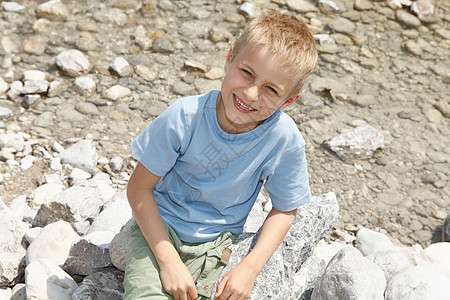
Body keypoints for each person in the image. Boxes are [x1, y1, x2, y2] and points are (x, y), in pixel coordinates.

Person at [124, 12, 318, 300]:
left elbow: (285, 209)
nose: (251, 94)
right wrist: (168, 262)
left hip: (219, 246)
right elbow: (139, 189)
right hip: (158, 231)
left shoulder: (283, 138)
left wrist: (248, 269)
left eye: (270, 89)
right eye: (247, 73)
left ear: (288, 100)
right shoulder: (184, 117)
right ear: (230, 59)